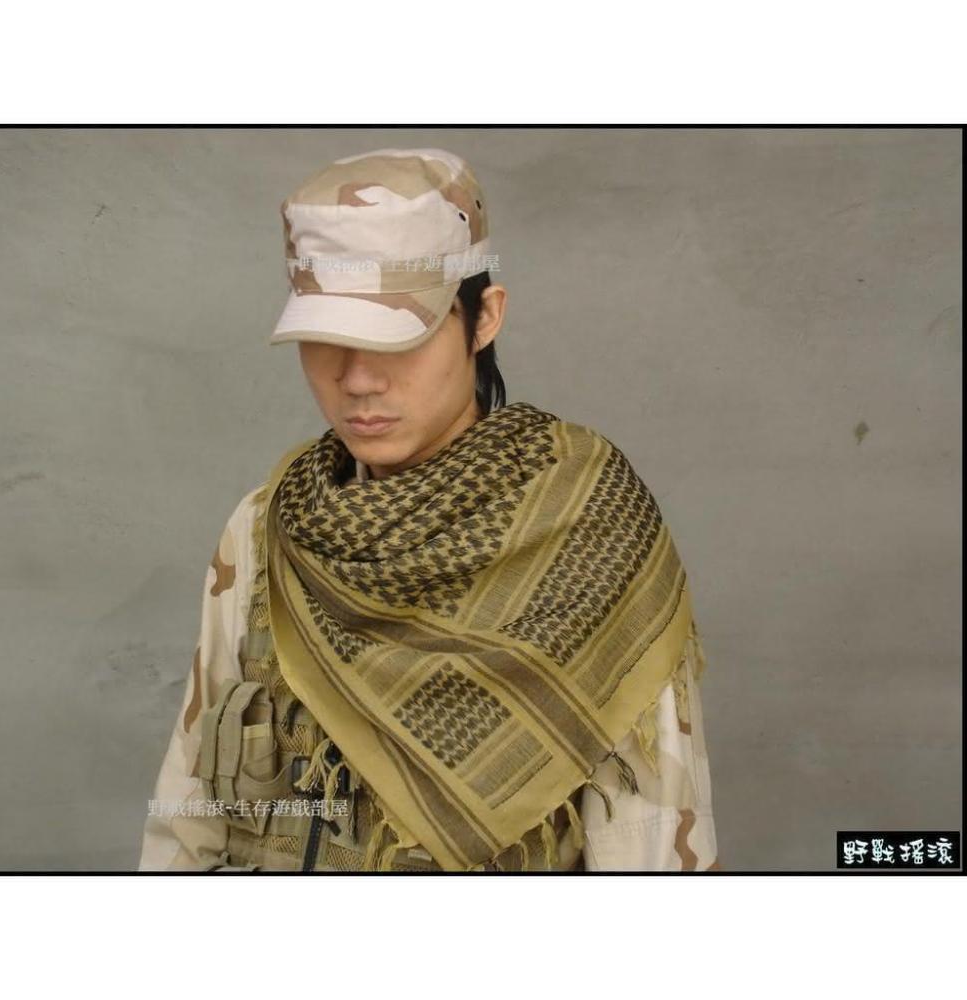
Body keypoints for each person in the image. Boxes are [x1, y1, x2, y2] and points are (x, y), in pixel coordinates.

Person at [138, 147, 719, 872]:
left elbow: (652, 843)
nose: (357, 379)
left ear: (484, 319)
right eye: (326, 338)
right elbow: (187, 817)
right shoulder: (267, 529)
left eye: (398, 336)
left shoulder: (586, 531)